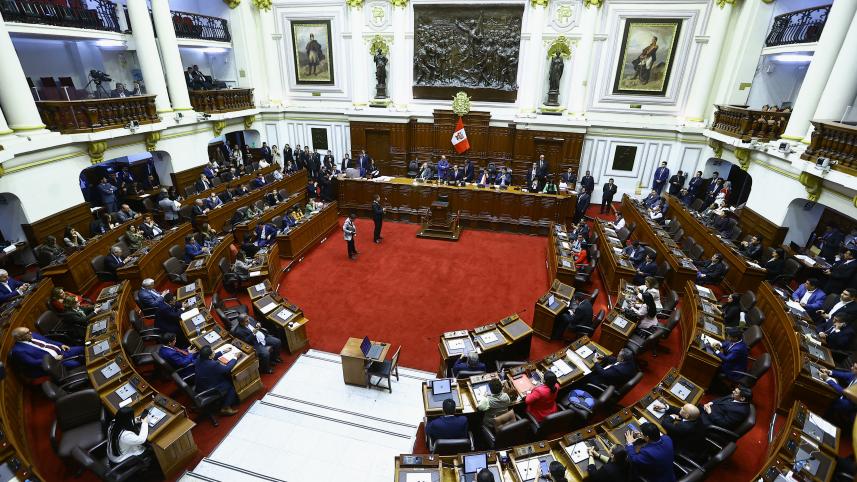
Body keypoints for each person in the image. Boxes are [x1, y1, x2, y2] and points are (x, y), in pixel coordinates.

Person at [10, 327, 83, 377]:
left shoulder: (33, 335)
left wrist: (61, 345)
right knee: (76, 364)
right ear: (19, 338)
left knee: (82, 349)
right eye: (27, 333)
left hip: (61, 351)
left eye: (29, 331)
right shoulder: (18, 351)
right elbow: (33, 363)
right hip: (55, 362)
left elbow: (48, 341)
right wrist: (53, 359)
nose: (31, 333)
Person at [194, 345, 239, 415]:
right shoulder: (213, 364)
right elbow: (227, 369)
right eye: (213, 351)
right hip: (208, 389)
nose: (214, 351)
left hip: (200, 386)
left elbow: (209, 358)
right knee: (230, 385)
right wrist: (235, 357)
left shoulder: (199, 358)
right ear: (209, 356)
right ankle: (225, 408)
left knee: (224, 378)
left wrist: (223, 351)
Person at [820, 362, 857, 428]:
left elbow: (845, 393)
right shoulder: (854, 374)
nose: (851, 368)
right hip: (845, 398)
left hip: (850, 407)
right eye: (853, 366)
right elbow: (845, 375)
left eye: (855, 368)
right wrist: (829, 372)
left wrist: (828, 379)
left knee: (828, 398)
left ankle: (825, 423)